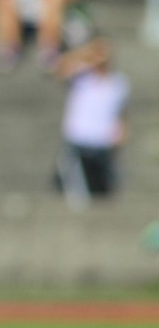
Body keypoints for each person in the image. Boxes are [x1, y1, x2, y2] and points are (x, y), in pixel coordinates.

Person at [52, 36, 129, 208]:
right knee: (77, 191)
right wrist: (86, 54)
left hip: (103, 142)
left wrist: (122, 130)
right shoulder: (81, 77)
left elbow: (122, 111)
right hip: (78, 139)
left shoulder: (118, 83)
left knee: (104, 190)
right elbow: (59, 68)